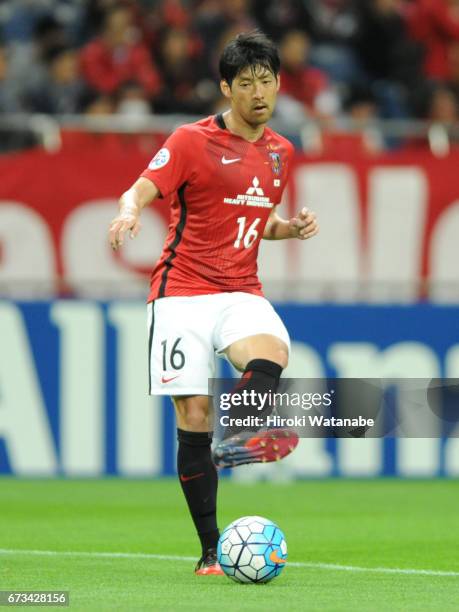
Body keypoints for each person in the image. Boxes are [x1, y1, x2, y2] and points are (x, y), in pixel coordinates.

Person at [108, 31, 319, 576]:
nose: (258, 92)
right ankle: (210, 551)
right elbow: (142, 187)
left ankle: (235, 439)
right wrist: (129, 211)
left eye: (266, 81)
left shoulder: (281, 152)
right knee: (192, 416)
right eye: (245, 83)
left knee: (270, 354)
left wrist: (286, 229)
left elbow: (252, 219)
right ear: (226, 88)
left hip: (240, 289)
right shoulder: (188, 141)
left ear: (278, 85)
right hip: (181, 293)